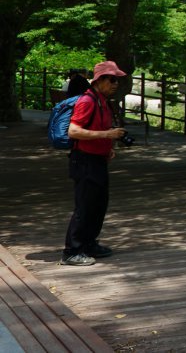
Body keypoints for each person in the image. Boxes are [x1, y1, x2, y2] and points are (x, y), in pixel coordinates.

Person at [61, 61, 128, 266]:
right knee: (85, 206)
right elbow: (73, 131)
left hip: (97, 159)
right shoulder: (88, 101)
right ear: (99, 80)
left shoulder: (102, 101)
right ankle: (72, 251)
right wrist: (107, 134)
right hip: (84, 160)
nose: (116, 83)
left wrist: (107, 147)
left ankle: (89, 243)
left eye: (117, 79)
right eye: (112, 79)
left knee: (98, 205)